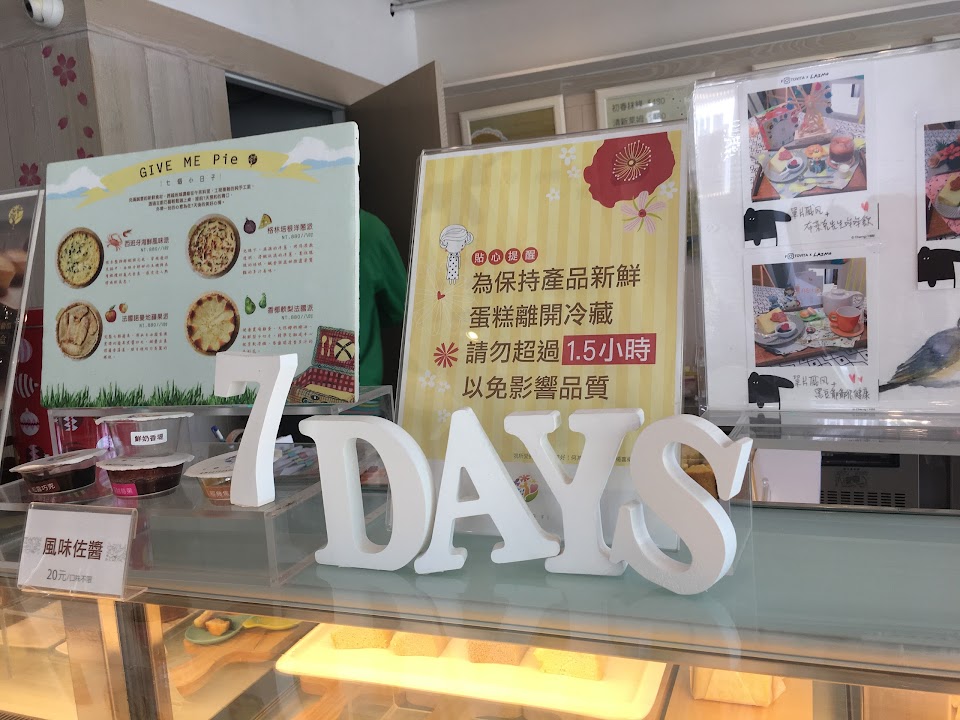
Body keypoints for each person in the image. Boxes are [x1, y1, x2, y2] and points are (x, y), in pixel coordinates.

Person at [358, 209, 407, 386]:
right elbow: (401, 307)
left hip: (282, 385)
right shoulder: (367, 228)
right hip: (359, 385)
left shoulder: (280, 226)